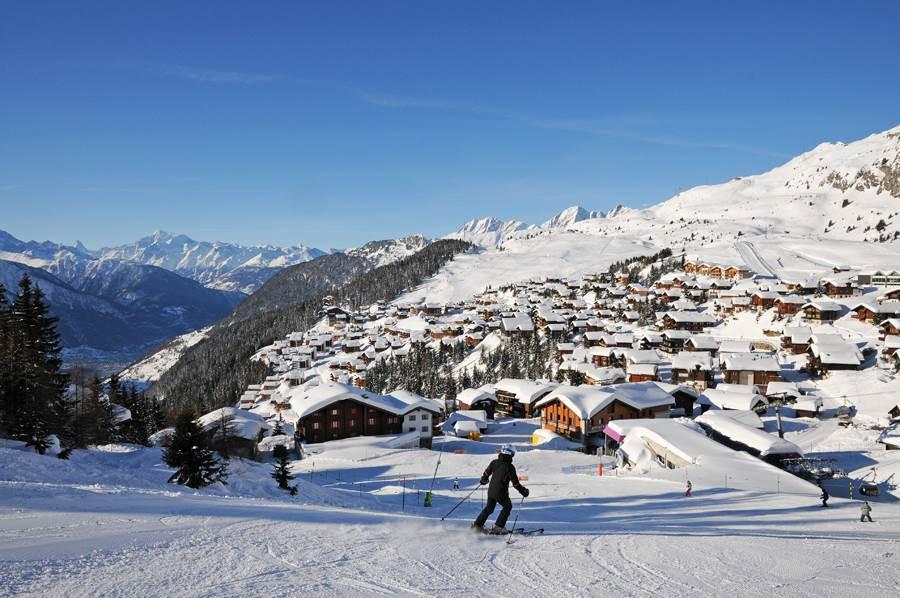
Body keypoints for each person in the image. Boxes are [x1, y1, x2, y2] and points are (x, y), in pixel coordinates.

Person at [471, 445, 529, 534]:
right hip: (501, 492)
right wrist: (523, 491)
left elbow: (487, 472)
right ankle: (498, 527)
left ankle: (477, 526)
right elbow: (516, 484)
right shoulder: (510, 467)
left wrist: (484, 479)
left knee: (489, 508)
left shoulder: (494, 462)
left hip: (491, 491)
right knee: (507, 506)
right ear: (510, 454)